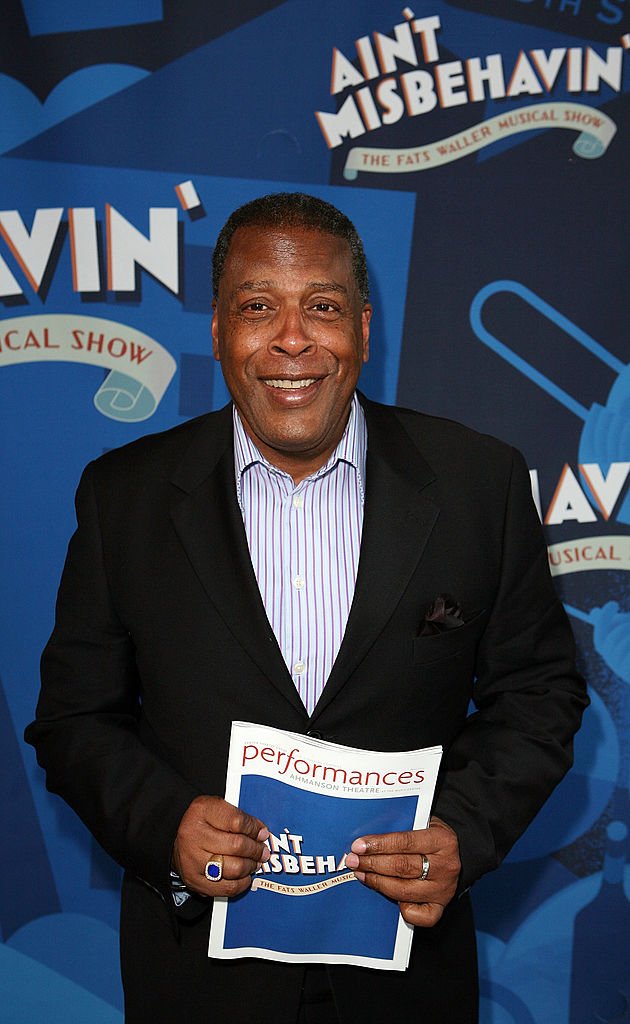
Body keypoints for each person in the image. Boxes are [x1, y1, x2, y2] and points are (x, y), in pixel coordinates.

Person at [26, 192, 588, 1023]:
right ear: (218, 331)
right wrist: (167, 831)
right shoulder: (126, 497)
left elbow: (541, 695)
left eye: (321, 307)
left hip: (408, 979)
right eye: (258, 307)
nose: (292, 338)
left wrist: (461, 835)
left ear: (363, 327)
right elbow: (74, 719)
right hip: (199, 982)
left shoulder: (479, 483)